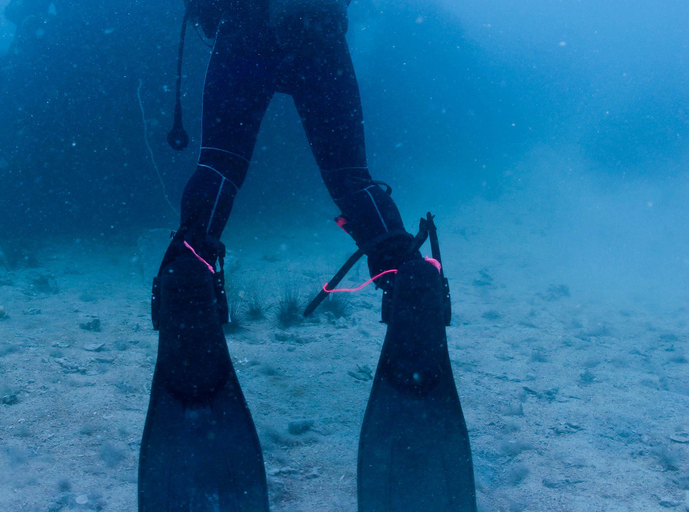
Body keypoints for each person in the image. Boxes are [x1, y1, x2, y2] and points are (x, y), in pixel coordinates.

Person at [138, 1, 477, 510]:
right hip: (317, 29)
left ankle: (190, 265)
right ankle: (407, 272)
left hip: (243, 28)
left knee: (220, 165)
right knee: (349, 178)